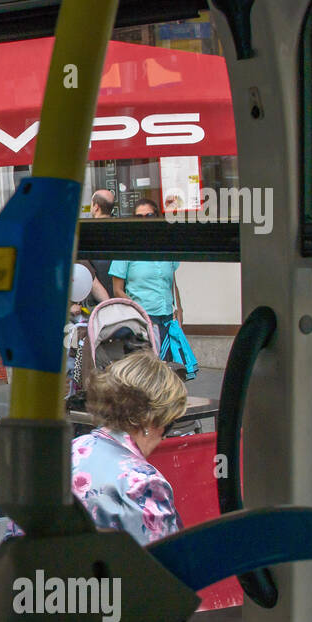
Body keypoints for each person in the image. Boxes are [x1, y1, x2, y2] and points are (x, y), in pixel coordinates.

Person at [72, 350, 186, 545]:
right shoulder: (143, 483)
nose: (164, 437)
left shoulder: (72, 448)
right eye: (169, 423)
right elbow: (163, 565)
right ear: (150, 420)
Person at [108, 200, 182, 345]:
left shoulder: (167, 245)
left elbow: (172, 283)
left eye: (148, 216)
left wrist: (179, 309)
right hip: (142, 318)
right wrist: (138, 314)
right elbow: (117, 290)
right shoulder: (126, 247)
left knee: (169, 363)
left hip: (167, 317)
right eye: (139, 217)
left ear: (157, 217)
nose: (144, 221)